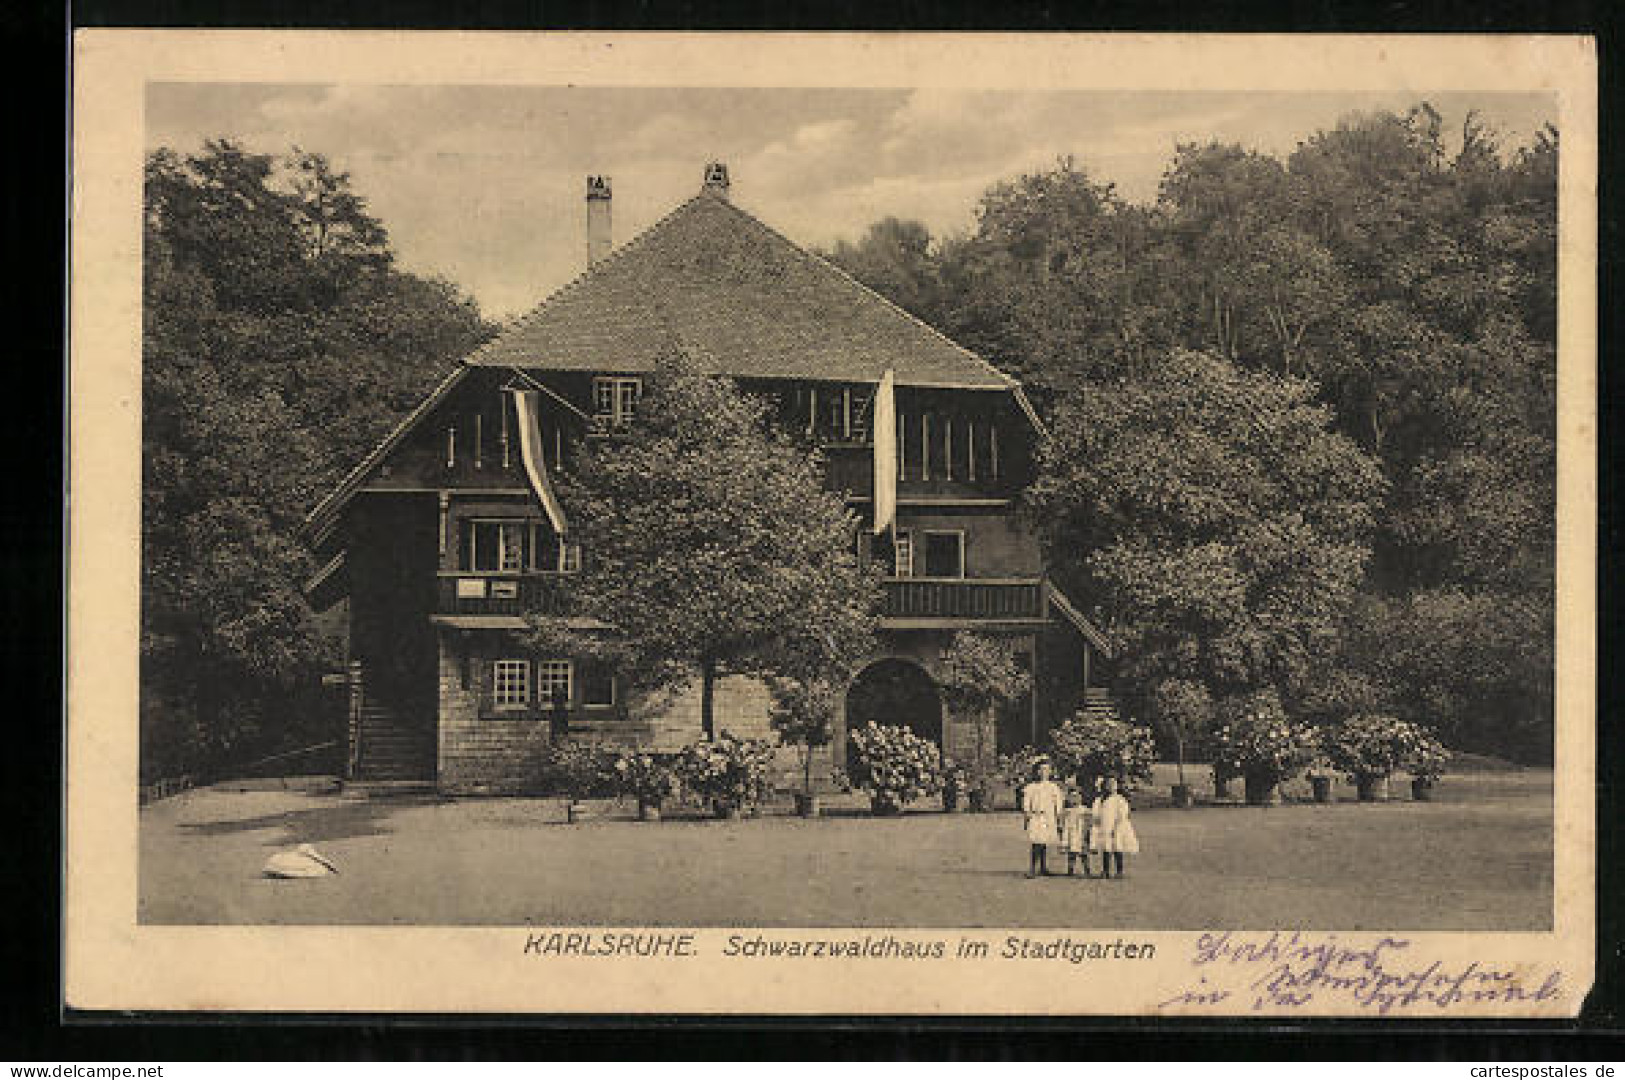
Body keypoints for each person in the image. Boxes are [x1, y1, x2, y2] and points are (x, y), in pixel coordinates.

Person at [1020, 758, 1064, 878]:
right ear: (1037, 771)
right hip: (1035, 816)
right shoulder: (1031, 787)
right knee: (1036, 842)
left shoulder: (1053, 787)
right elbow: (1026, 803)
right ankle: (1033, 868)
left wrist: (1058, 819)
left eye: (1047, 769)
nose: (1044, 772)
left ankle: (1043, 867)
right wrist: (1027, 815)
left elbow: (1058, 804)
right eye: (1041, 769)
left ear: (1050, 772)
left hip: (1048, 816)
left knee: (1044, 842)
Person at [1089, 775, 1140, 878]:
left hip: (1117, 827)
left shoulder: (1119, 799)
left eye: (1113, 784)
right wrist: (1097, 823)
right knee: (1106, 848)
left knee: (1117, 847)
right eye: (1108, 784)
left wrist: (1116, 826)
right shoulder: (1100, 799)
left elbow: (1123, 814)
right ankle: (1105, 871)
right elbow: (1096, 813)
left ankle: (1119, 871)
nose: (1111, 787)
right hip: (1105, 826)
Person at [1059, 786, 1092, 877]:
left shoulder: (1084, 810)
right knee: (1071, 852)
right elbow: (1062, 823)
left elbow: (1089, 821)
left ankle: (1087, 870)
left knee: (1083, 853)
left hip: (1080, 832)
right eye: (1072, 797)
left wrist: (1087, 830)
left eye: (1077, 797)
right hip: (1070, 833)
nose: (1074, 799)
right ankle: (1070, 870)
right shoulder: (1067, 811)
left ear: (1081, 798)